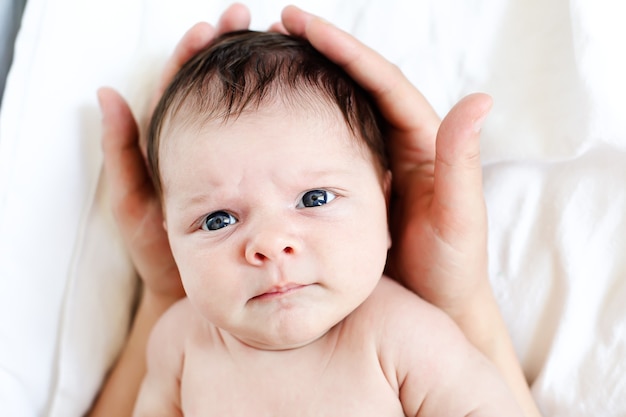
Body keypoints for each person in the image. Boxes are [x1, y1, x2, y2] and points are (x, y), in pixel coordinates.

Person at [89, 4, 541, 417]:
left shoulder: (401, 335)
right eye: (218, 220)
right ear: (169, 236)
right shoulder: (179, 344)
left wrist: (464, 300)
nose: (270, 244)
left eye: (315, 199)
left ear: (385, 203)